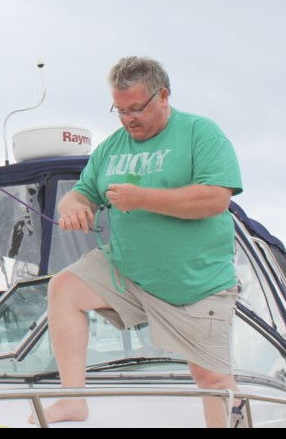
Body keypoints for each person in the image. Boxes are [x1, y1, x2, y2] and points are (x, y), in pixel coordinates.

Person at [40, 56, 243, 428]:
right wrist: (74, 207)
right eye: (119, 110)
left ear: (163, 95)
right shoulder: (110, 148)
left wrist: (143, 198)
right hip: (127, 272)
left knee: (213, 382)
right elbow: (83, 193)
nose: (127, 118)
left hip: (194, 285)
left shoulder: (202, 133)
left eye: (135, 108)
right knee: (64, 288)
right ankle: (73, 399)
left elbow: (216, 198)